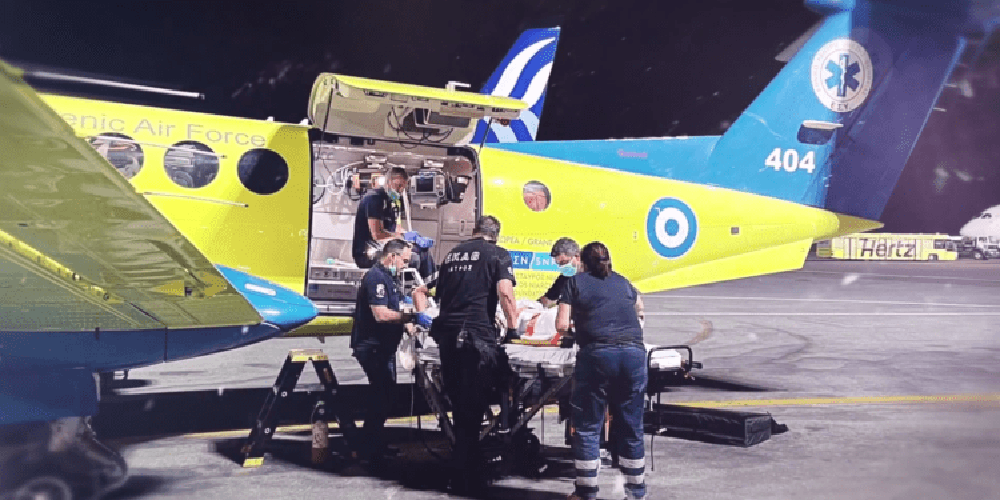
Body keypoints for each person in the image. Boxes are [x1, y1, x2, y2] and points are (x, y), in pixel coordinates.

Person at [412, 215, 518, 488]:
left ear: (474, 231)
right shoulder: (498, 254)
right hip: (475, 337)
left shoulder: (452, 255)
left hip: (447, 337)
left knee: (459, 404)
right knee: (474, 404)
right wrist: (513, 329)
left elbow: (422, 291)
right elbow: (505, 293)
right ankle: (466, 473)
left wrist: (425, 319)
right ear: (496, 234)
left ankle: (464, 465)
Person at [556, 242, 647, 500]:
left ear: (582, 263)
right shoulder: (623, 282)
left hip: (598, 356)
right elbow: (640, 309)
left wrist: (580, 331)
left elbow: (561, 325)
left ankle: (586, 492)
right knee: (631, 426)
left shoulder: (575, 283)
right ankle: (636, 493)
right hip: (634, 355)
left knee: (588, 425)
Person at [350, 239, 430, 462]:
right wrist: (411, 317)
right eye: (404, 260)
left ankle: (373, 443)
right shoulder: (376, 277)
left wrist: (410, 326)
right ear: (392, 256)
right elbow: (381, 314)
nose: (405, 265)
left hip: (383, 347)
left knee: (385, 395)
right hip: (372, 347)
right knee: (381, 395)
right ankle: (368, 447)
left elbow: (395, 307)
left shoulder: (390, 278)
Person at [352, 167, 408, 268]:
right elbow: (377, 235)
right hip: (367, 255)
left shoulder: (390, 202)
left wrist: (410, 236)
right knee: (414, 259)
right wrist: (401, 238)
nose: (400, 191)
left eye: (402, 188)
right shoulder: (374, 198)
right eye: (398, 186)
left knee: (418, 253)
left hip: (383, 250)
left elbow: (395, 228)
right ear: (389, 182)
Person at [539, 237, 582, 308]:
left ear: (577, 257)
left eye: (564, 262)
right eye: (560, 264)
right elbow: (548, 299)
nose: (562, 266)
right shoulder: (564, 278)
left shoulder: (592, 279)